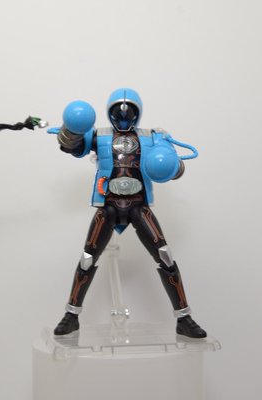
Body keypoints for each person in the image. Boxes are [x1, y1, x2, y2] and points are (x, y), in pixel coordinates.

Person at [51, 88, 206, 338]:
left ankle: (184, 318)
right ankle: (71, 316)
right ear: (109, 112)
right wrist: (71, 129)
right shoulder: (99, 135)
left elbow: (176, 167)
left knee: (165, 256)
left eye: (129, 113)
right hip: (108, 204)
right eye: (118, 113)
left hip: (138, 205)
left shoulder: (153, 136)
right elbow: (72, 145)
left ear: (138, 113)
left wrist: (170, 163)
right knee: (87, 258)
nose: (123, 118)